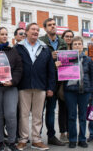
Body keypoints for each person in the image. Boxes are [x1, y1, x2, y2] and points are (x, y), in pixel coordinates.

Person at [15, 23, 56, 151]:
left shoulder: (45, 48)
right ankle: (23, 140)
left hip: (41, 86)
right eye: (33, 29)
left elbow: (51, 70)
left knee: (38, 115)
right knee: (23, 115)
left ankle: (37, 140)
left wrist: (50, 88)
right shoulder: (18, 47)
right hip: (23, 85)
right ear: (26, 32)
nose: (35, 32)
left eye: (37, 30)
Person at [0, 27, 23, 151]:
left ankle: (12, 141)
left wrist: (12, 81)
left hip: (10, 87)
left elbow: (19, 68)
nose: (4, 36)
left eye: (6, 34)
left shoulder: (12, 50)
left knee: (11, 114)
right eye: (2, 34)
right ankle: (0, 141)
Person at [60, 37, 93, 148]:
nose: (77, 46)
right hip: (70, 91)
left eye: (79, 44)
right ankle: (73, 139)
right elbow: (62, 75)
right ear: (72, 46)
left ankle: (82, 139)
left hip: (84, 91)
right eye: (75, 44)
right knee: (71, 116)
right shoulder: (66, 58)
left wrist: (90, 90)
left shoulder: (88, 59)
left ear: (82, 46)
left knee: (83, 116)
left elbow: (92, 76)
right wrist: (59, 66)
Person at [39, 18, 67, 146]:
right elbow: (36, 61)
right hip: (42, 81)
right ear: (45, 28)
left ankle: (51, 136)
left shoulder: (62, 42)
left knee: (51, 110)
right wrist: (50, 58)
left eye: (54, 24)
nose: (53, 27)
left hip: (57, 82)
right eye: (49, 25)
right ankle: (37, 136)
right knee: (39, 111)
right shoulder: (41, 41)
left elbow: (68, 62)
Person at [58, 29, 75, 142]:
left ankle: (70, 131)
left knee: (71, 109)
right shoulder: (60, 50)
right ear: (63, 38)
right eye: (66, 36)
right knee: (62, 108)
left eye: (70, 36)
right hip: (62, 82)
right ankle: (63, 132)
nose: (69, 38)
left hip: (73, 82)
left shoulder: (76, 50)